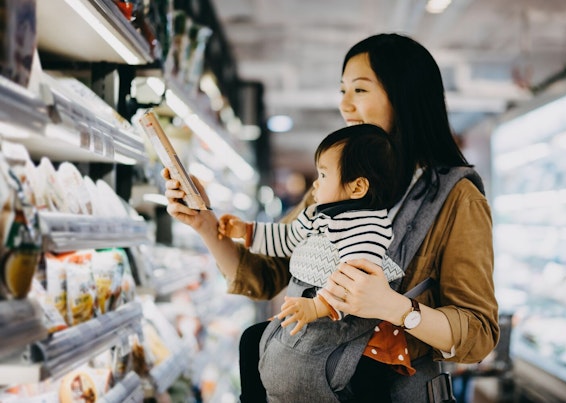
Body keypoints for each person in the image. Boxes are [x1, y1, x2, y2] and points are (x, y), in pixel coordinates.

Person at [163, 32, 499, 402]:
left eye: (360, 90)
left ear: (404, 96)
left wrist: (395, 308)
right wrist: (207, 226)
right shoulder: (334, 185)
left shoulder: (457, 199)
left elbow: (479, 334)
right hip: (306, 376)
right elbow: (265, 275)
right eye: (342, 91)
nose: (346, 105)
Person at [217, 124, 414, 401]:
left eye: (323, 175)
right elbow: (286, 239)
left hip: (345, 323)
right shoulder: (315, 215)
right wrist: (247, 232)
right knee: (252, 340)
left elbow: (356, 280)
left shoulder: (367, 227)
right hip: (310, 312)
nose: (315, 183)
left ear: (357, 187)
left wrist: (318, 305)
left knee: (363, 375)